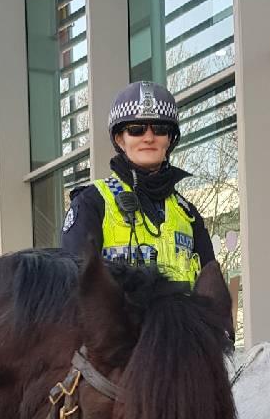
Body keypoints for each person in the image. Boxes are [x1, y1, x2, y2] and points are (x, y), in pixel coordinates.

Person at [60, 80, 216, 282]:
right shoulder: (92, 203)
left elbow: (211, 296)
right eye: (136, 129)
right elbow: (73, 291)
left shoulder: (188, 215)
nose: (149, 138)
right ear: (119, 139)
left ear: (170, 139)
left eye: (159, 129)